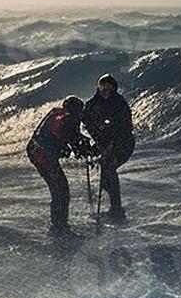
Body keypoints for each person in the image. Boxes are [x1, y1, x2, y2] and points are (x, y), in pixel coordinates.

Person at [27, 96, 93, 234]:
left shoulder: (57, 114)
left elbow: (69, 137)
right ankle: (59, 226)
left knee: (58, 189)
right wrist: (89, 150)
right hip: (44, 156)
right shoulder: (69, 119)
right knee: (61, 190)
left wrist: (80, 142)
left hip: (35, 151)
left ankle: (59, 224)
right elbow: (74, 143)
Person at [82, 74, 135, 219]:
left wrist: (111, 146)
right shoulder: (92, 104)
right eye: (102, 85)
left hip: (124, 144)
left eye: (109, 86)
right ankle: (113, 201)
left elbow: (125, 128)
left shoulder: (120, 103)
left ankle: (116, 208)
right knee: (105, 174)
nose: (105, 89)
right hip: (104, 144)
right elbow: (86, 121)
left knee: (109, 168)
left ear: (114, 88)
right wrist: (94, 142)